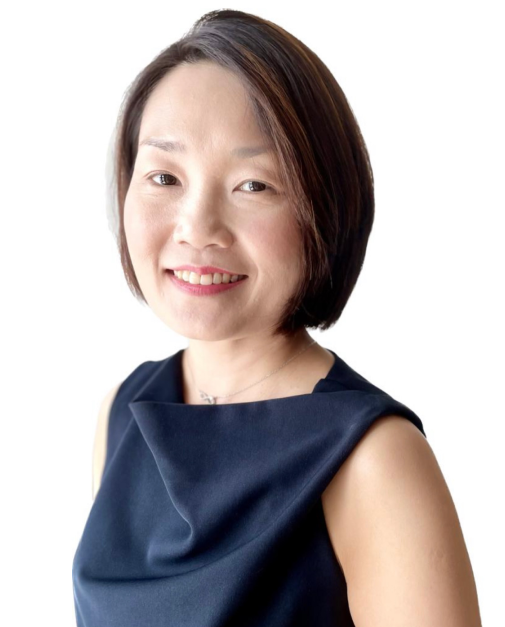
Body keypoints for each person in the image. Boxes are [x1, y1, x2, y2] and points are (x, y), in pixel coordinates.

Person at [72, 9, 482, 626]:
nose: (197, 228)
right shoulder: (120, 414)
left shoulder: (374, 458)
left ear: (324, 206)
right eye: (164, 177)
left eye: (254, 185)